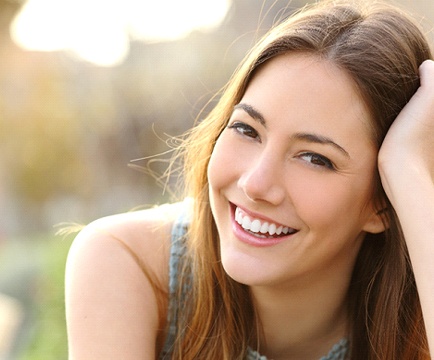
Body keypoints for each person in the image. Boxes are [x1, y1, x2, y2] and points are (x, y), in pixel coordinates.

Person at [65, 0, 434, 359]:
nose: (255, 184)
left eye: (315, 158)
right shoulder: (130, 264)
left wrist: (410, 172)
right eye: (246, 129)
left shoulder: (419, 309)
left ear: (384, 202)